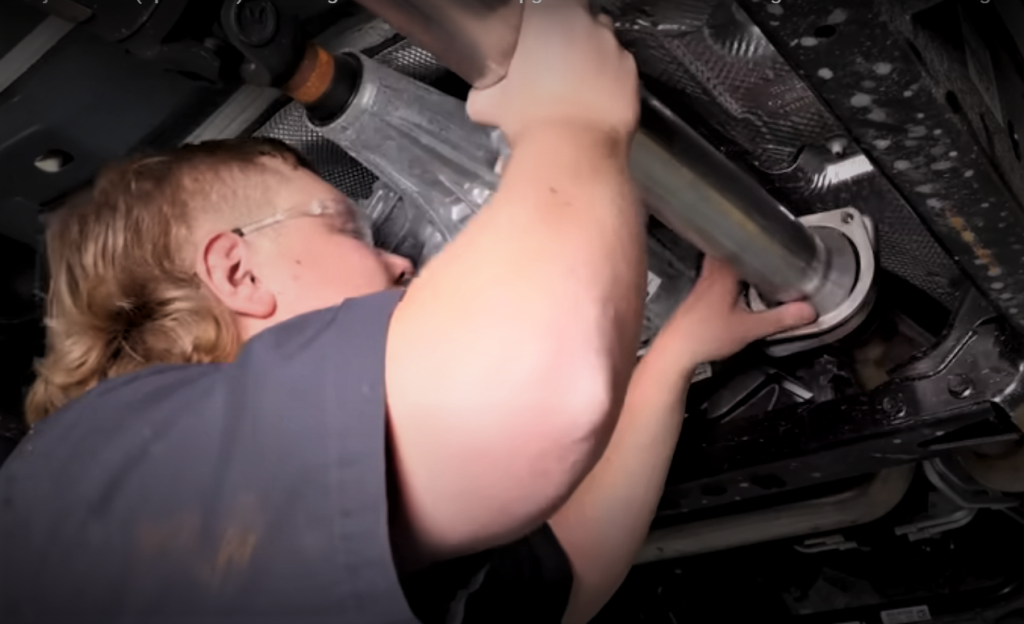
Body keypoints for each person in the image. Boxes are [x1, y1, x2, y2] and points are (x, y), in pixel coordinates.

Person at [0, 3, 815, 623]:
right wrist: (573, 120)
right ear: (238, 270)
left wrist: (671, 358)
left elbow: (563, 581)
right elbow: (535, 401)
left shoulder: (246, 523)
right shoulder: (86, 478)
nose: (397, 259)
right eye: (346, 224)